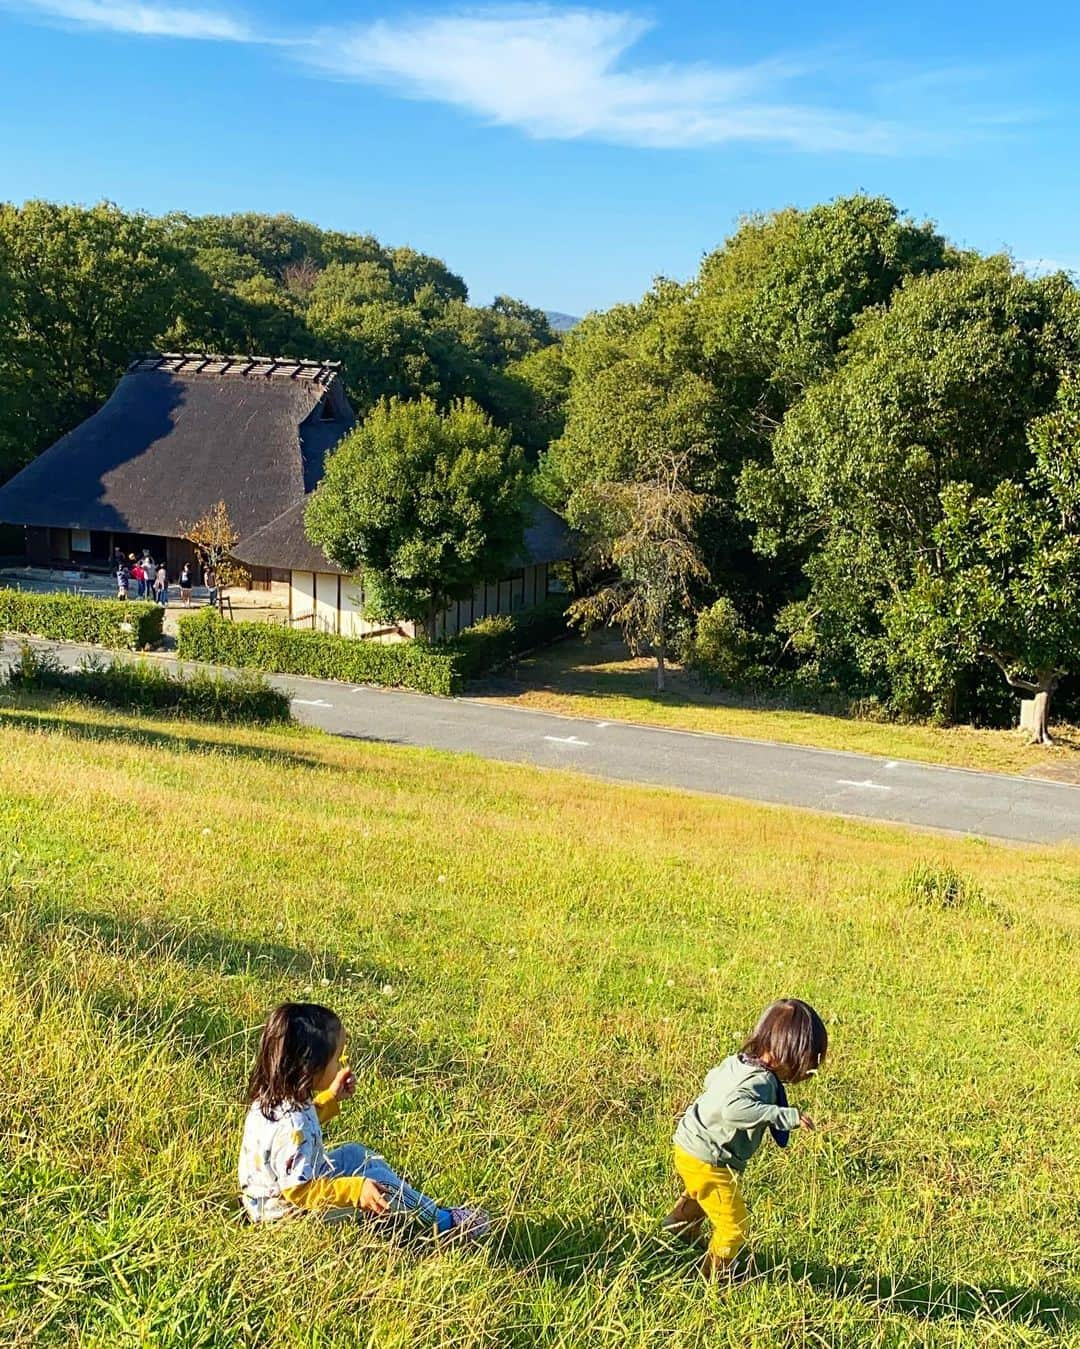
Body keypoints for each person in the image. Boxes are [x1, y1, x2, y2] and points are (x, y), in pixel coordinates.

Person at [238, 1002, 490, 1239]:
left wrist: (331, 1098)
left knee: (354, 1153)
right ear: (311, 1067)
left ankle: (408, 1198)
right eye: (335, 1060)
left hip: (265, 1201)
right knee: (380, 1182)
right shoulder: (294, 1123)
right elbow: (299, 1191)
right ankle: (446, 1225)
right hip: (286, 1217)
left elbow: (299, 1136)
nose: (339, 1065)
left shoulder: (276, 1098)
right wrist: (355, 1190)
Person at [665, 998, 827, 1280]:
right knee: (733, 1224)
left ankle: (678, 1227)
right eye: (806, 1062)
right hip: (708, 1158)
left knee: (706, 1196)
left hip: (689, 1146)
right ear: (788, 1052)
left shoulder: (736, 1063)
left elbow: (711, 1079)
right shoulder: (761, 1081)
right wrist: (782, 1115)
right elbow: (733, 1110)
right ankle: (716, 1277)